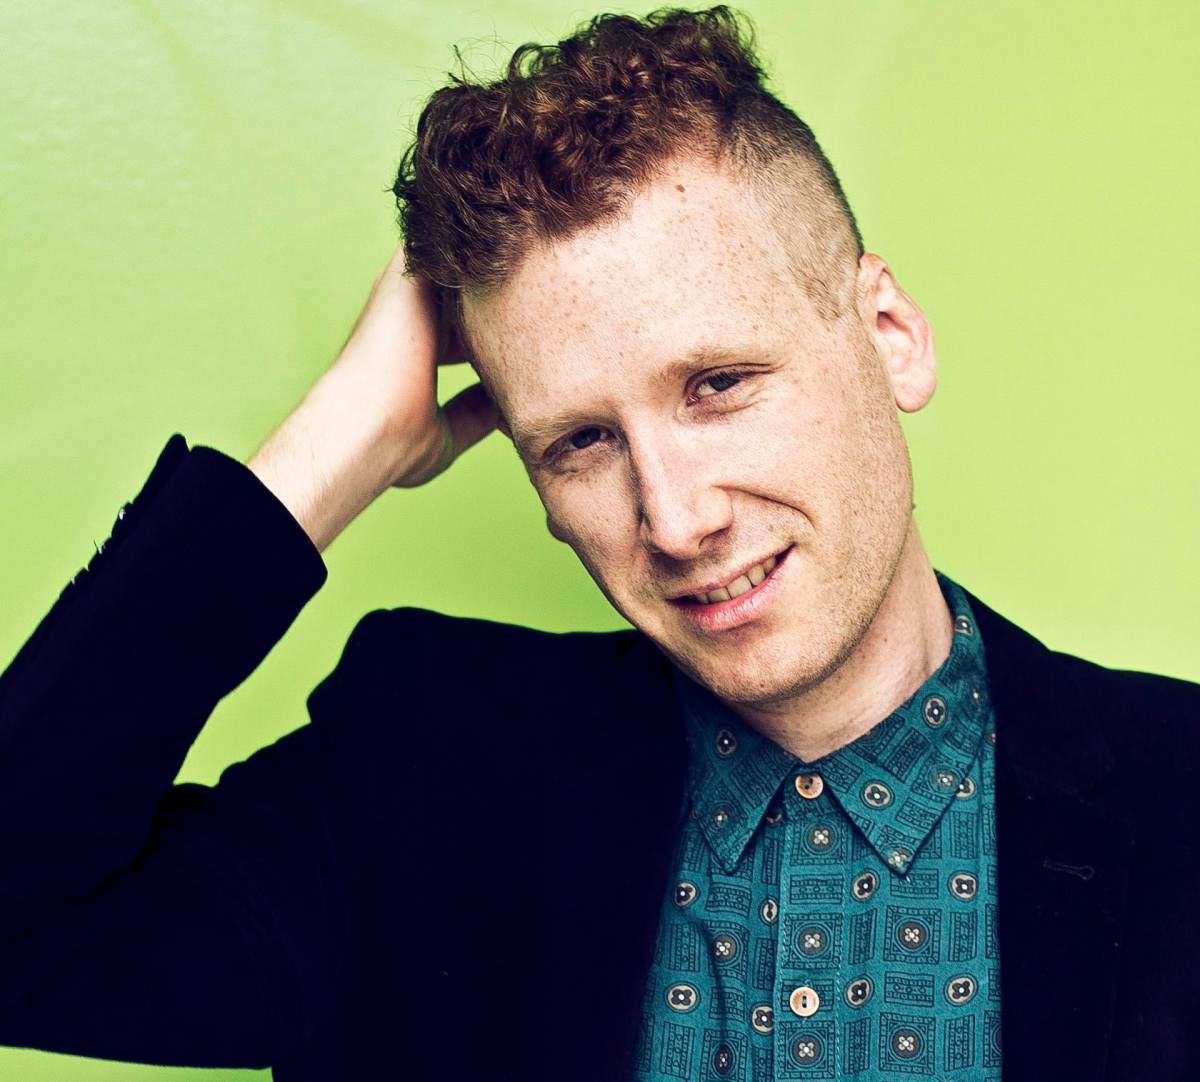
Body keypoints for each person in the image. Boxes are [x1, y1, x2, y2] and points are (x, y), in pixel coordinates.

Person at [0, 5, 1195, 1081]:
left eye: (718, 383)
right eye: (580, 441)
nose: (676, 520)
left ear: (889, 333)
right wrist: (332, 448)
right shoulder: (414, 772)